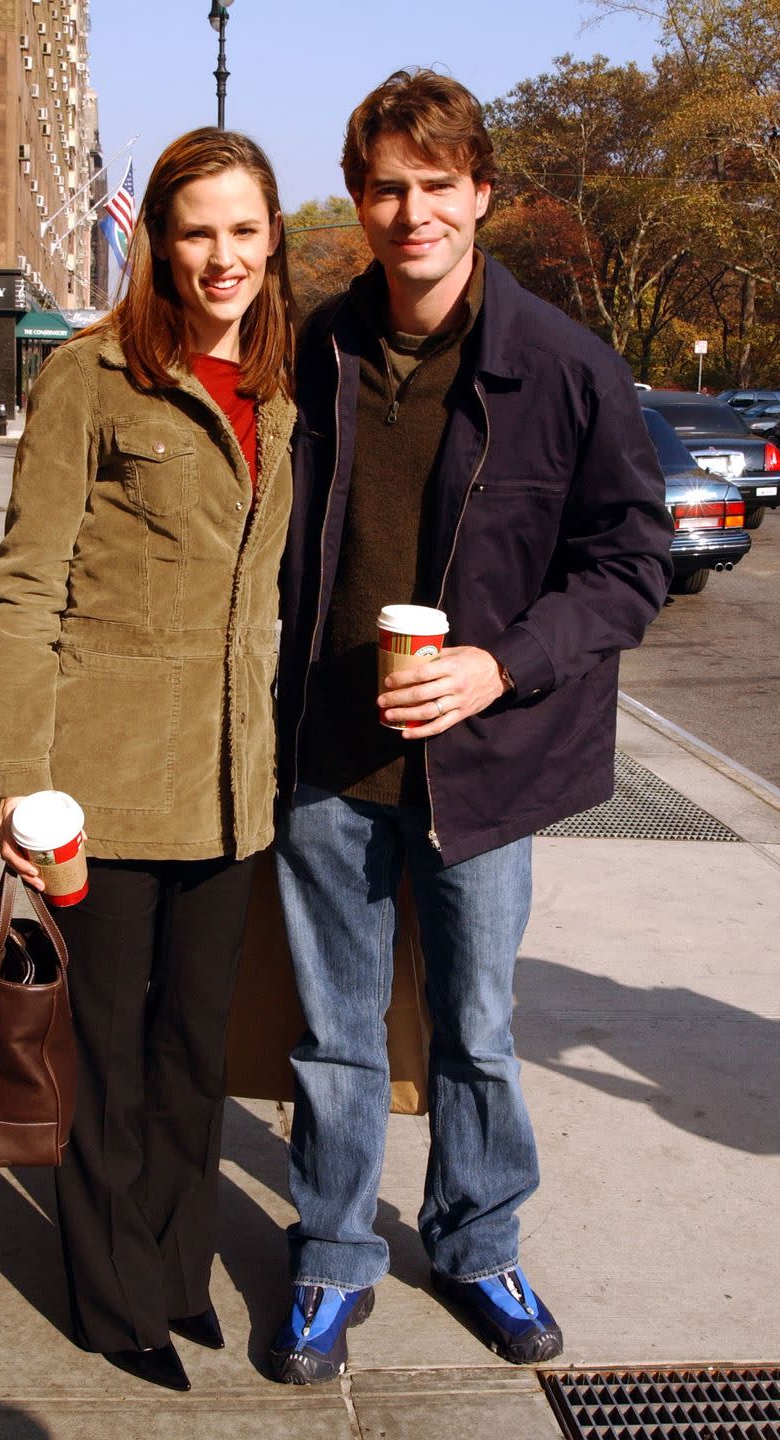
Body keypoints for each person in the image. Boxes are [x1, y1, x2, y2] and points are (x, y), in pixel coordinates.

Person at [269, 68, 674, 1384]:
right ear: (357, 200)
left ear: (479, 195)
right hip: (328, 759)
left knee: (475, 1030)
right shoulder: (315, 350)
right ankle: (331, 1256)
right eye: (385, 187)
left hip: (482, 770)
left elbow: (627, 564)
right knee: (333, 1033)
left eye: (434, 186)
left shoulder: (564, 366)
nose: (409, 212)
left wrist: (499, 670)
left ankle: (476, 1237)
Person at [0, 128, 296, 1393]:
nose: (220, 255)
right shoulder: (91, 378)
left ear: (272, 239)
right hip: (99, 782)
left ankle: (173, 1268)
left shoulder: (275, 389)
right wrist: (18, 773)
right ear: (157, 237)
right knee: (104, 1054)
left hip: (230, 787)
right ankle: (114, 1303)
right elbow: (26, 585)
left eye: (242, 229)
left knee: (191, 1051)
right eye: (195, 229)